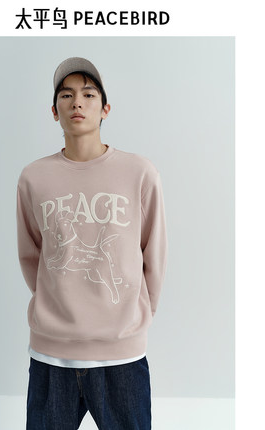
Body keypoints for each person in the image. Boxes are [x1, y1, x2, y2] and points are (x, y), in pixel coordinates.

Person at [16, 57, 168, 429]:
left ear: (105, 109)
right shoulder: (34, 178)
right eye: (66, 95)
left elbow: (154, 252)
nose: (77, 103)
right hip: (52, 356)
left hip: (122, 357)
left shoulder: (139, 172)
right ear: (55, 111)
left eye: (88, 94)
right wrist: (58, 301)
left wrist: (137, 316)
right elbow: (31, 254)